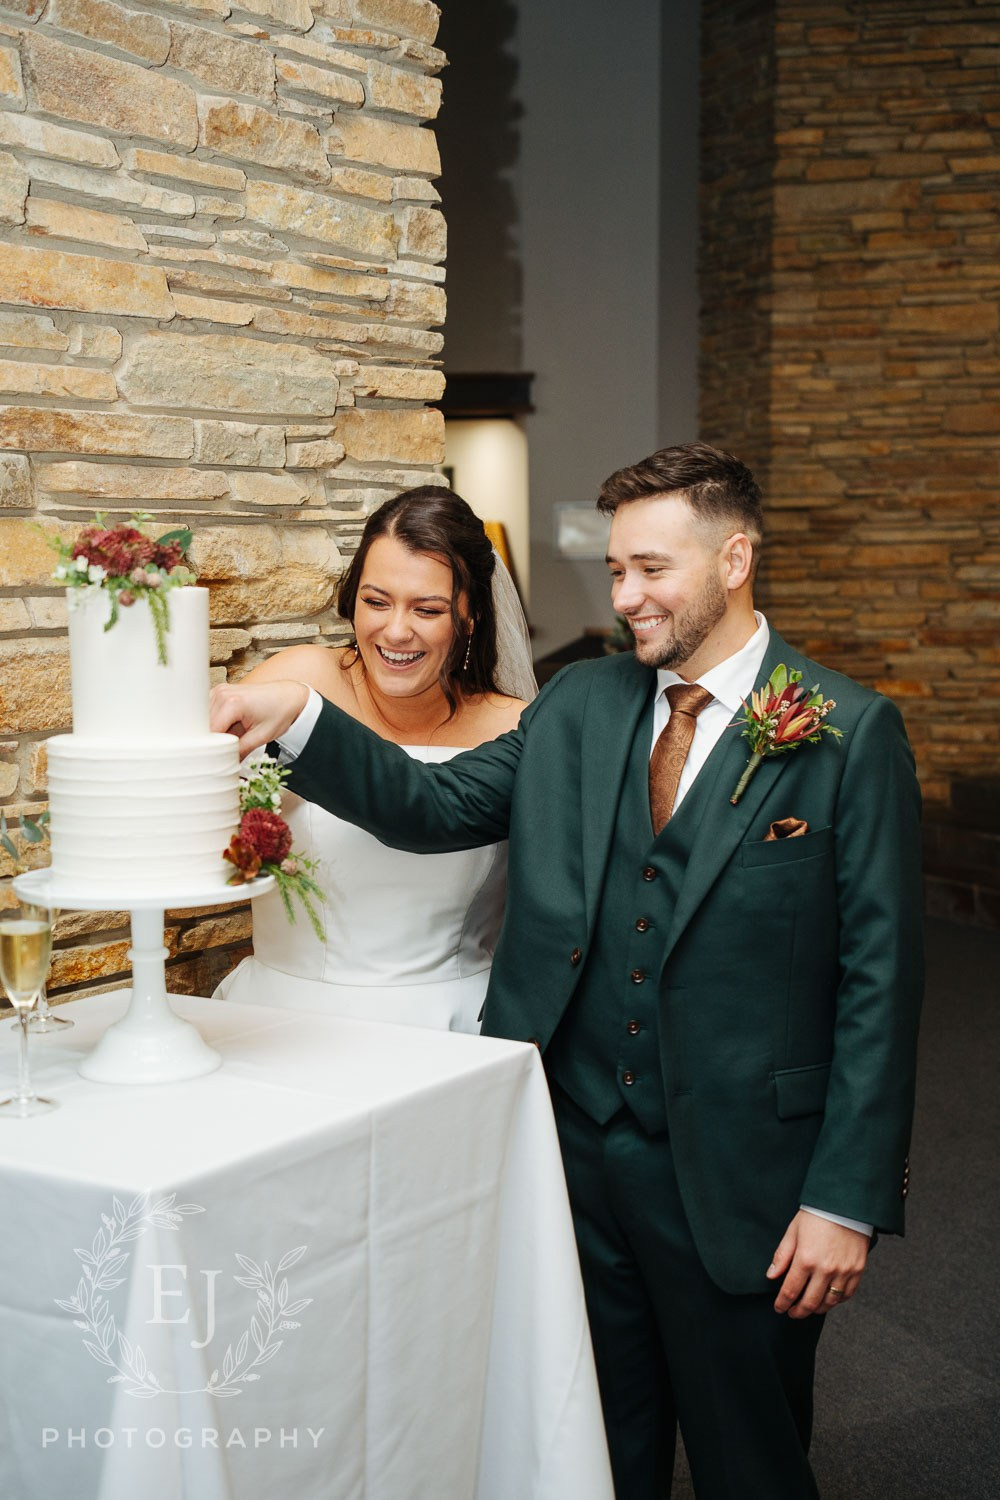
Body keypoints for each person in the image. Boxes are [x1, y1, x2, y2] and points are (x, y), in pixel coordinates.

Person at [211, 443, 923, 1498]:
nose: (625, 597)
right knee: (590, 1454)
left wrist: (844, 1201)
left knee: (752, 1463)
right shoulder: (577, 701)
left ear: (734, 559)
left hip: (745, 1182)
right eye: (614, 571)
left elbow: (880, 980)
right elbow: (435, 807)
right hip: (572, 1155)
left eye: (651, 570)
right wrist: (302, 720)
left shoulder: (846, 731)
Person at [214, 486, 536, 1034]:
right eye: (376, 601)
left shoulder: (516, 727)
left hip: (449, 1026)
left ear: (473, 616)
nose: (395, 631)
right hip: (275, 1019)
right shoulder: (294, 680)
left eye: (427, 609)